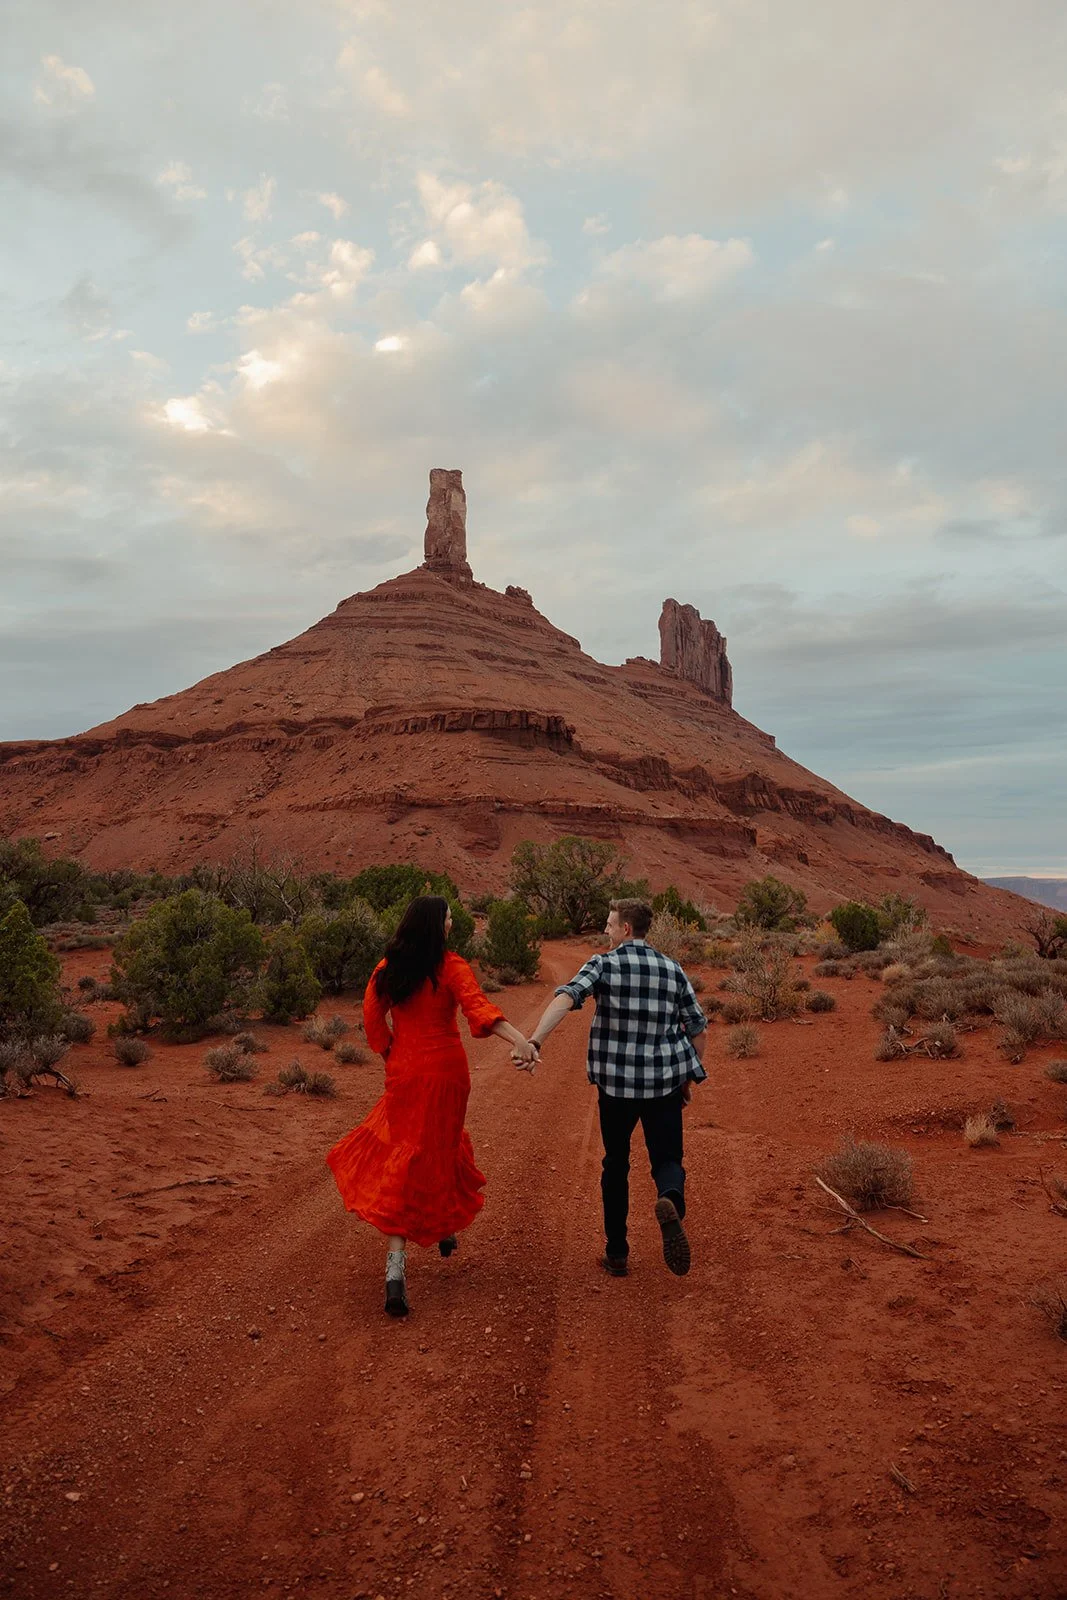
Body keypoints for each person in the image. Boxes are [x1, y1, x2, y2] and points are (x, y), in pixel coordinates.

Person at [326, 895, 538, 1317]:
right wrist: (519, 1039)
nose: (452, 923)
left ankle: (396, 1268)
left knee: (406, 1152)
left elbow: (371, 1015)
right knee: (440, 1144)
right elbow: (479, 1007)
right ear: (435, 925)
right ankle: (441, 1227)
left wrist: (389, 1050)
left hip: (405, 1072)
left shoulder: (389, 967)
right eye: (448, 917)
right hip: (446, 1074)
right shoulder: (451, 966)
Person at [523, 898, 706, 1278]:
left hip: (616, 1089)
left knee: (616, 1163)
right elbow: (697, 1028)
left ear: (625, 929)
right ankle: (670, 1200)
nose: (605, 931)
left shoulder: (603, 964)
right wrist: (687, 1078)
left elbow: (567, 997)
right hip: (663, 1084)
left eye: (609, 925)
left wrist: (536, 1039)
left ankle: (617, 1253)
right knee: (668, 1160)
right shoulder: (672, 968)